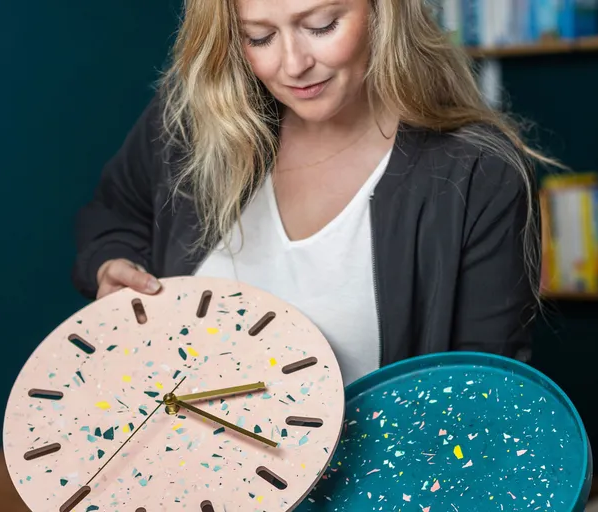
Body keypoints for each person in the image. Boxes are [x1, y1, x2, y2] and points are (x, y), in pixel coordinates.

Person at [72, 0, 555, 385]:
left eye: (321, 26)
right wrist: (112, 263)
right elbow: (113, 214)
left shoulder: (478, 174)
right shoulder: (194, 118)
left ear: (384, 10)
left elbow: (481, 399)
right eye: (259, 36)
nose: (293, 64)